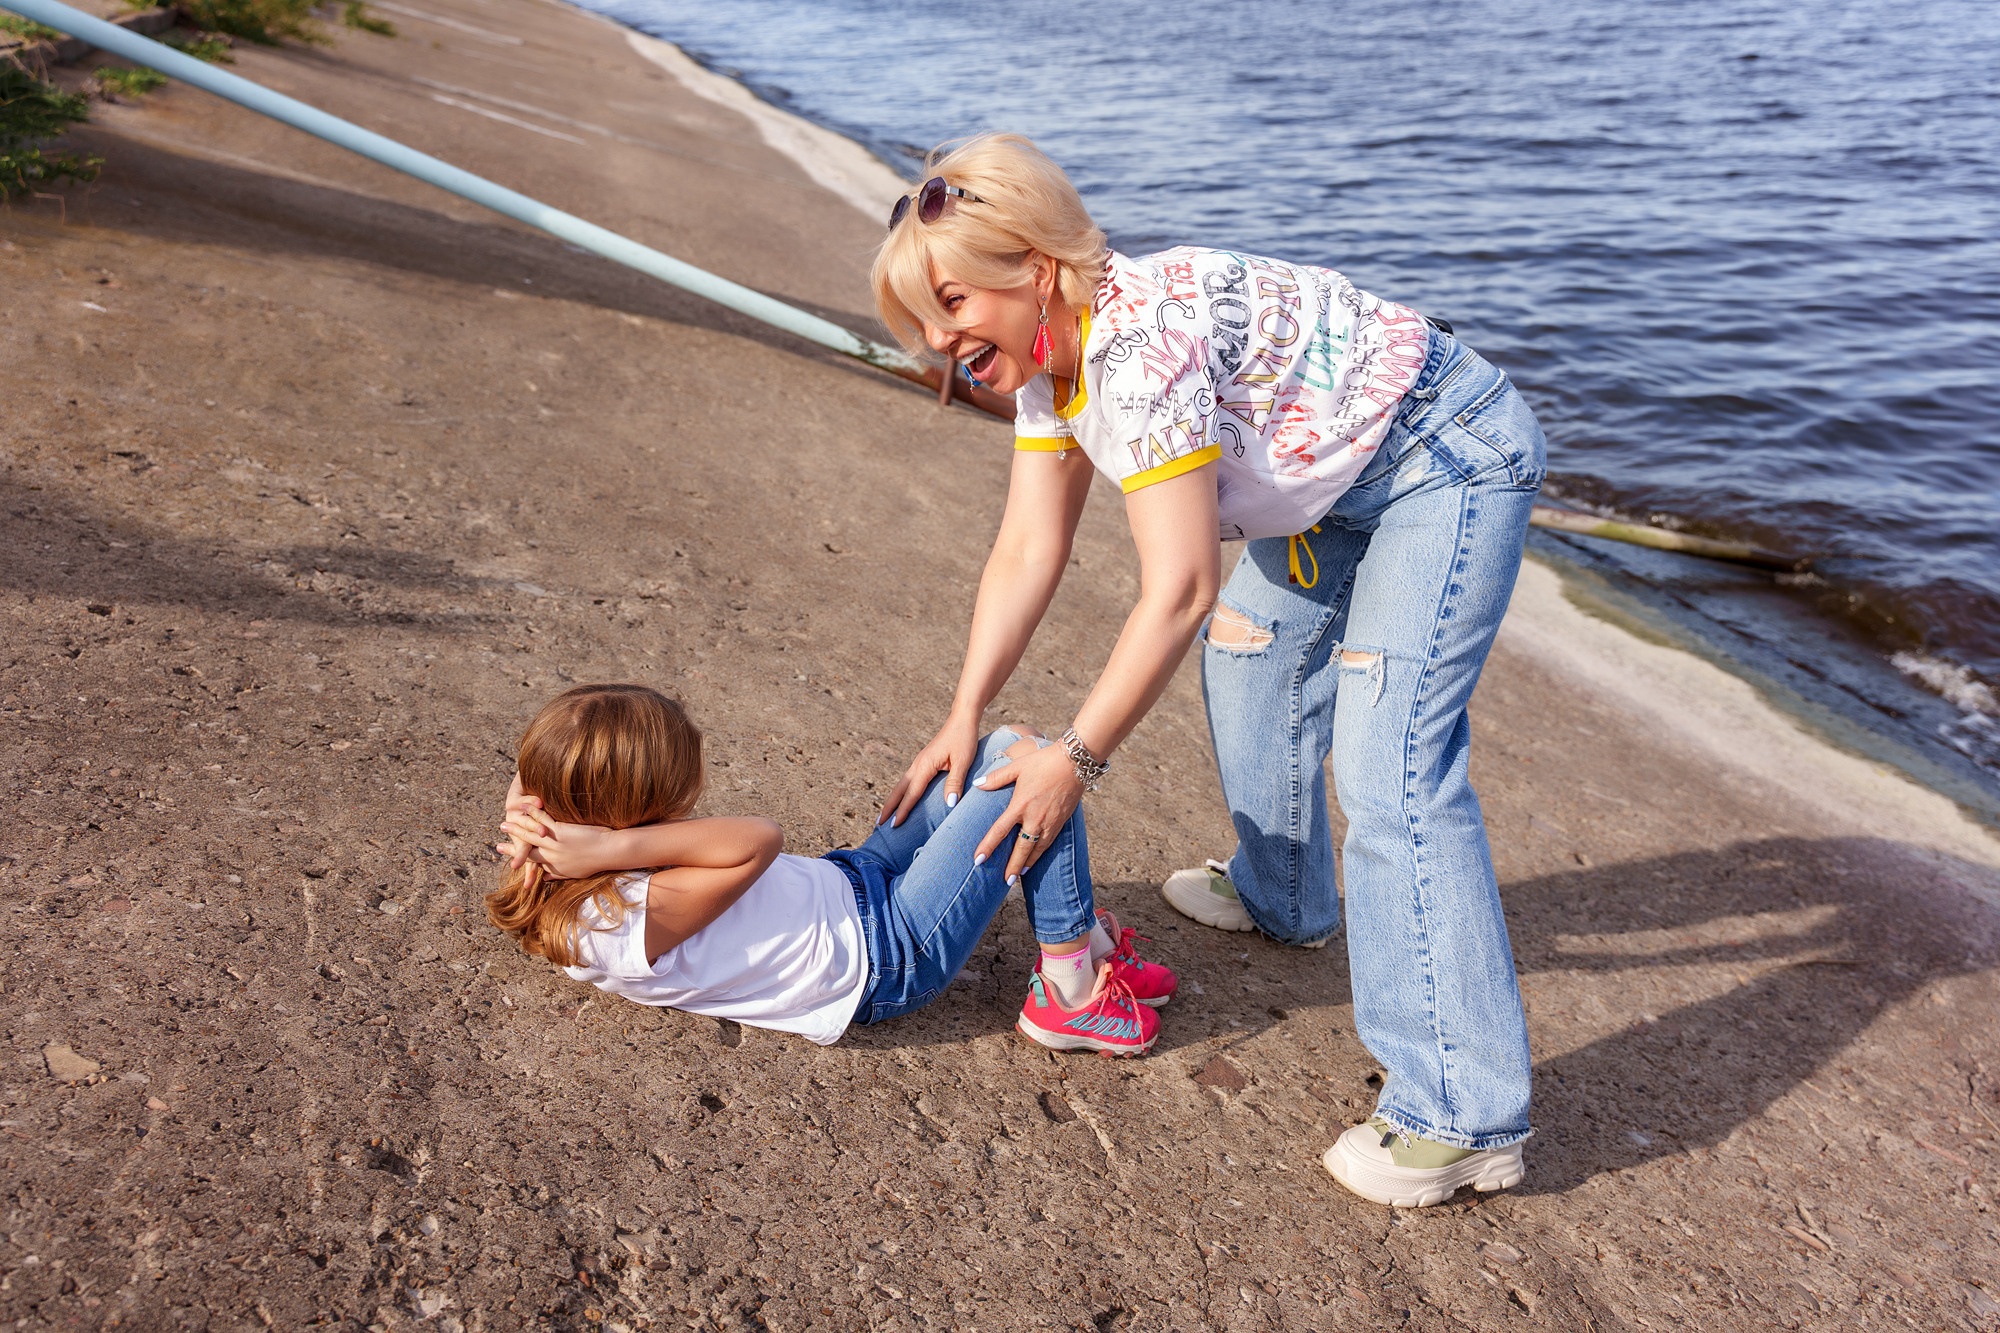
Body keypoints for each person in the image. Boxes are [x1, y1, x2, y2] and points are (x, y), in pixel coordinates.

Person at [869, 135, 1541, 1206]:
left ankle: (1460, 1115)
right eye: (923, 316)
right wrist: (965, 711)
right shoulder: (1056, 360)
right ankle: (1288, 897)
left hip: (1438, 455)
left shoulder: (1136, 353)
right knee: (1249, 664)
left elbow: (1174, 590)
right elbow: (1027, 548)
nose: (941, 338)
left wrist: (1072, 761)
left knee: (1391, 767)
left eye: (953, 301)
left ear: (1035, 269)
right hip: (1326, 475)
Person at [489, 683, 1176, 1055]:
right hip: (889, 951)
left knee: (1007, 746)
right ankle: (1069, 989)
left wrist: (548, 830)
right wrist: (606, 851)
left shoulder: (574, 859)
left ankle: (1087, 942)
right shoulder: (613, 921)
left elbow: (533, 775)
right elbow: (759, 839)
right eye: (676, 806)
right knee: (1042, 775)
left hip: (851, 880)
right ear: (621, 820)